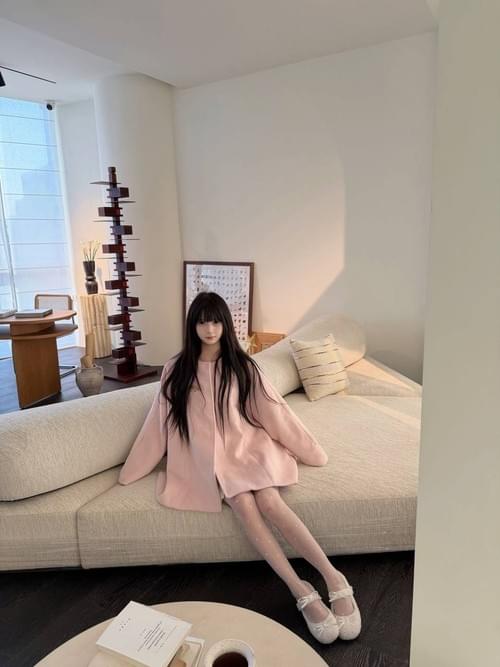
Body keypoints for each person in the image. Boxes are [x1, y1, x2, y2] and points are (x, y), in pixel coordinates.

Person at [118, 291, 361, 643]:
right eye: (203, 322)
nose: (210, 329)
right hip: (209, 460)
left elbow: (273, 412)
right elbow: (159, 421)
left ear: (226, 324)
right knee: (244, 505)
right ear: (192, 325)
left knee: (270, 502)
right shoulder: (176, 368)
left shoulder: (242, 365)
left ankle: (333, 577)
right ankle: (300, 589)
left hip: (249, 446)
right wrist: (133, 468)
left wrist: (311, 451)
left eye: (216, 321)